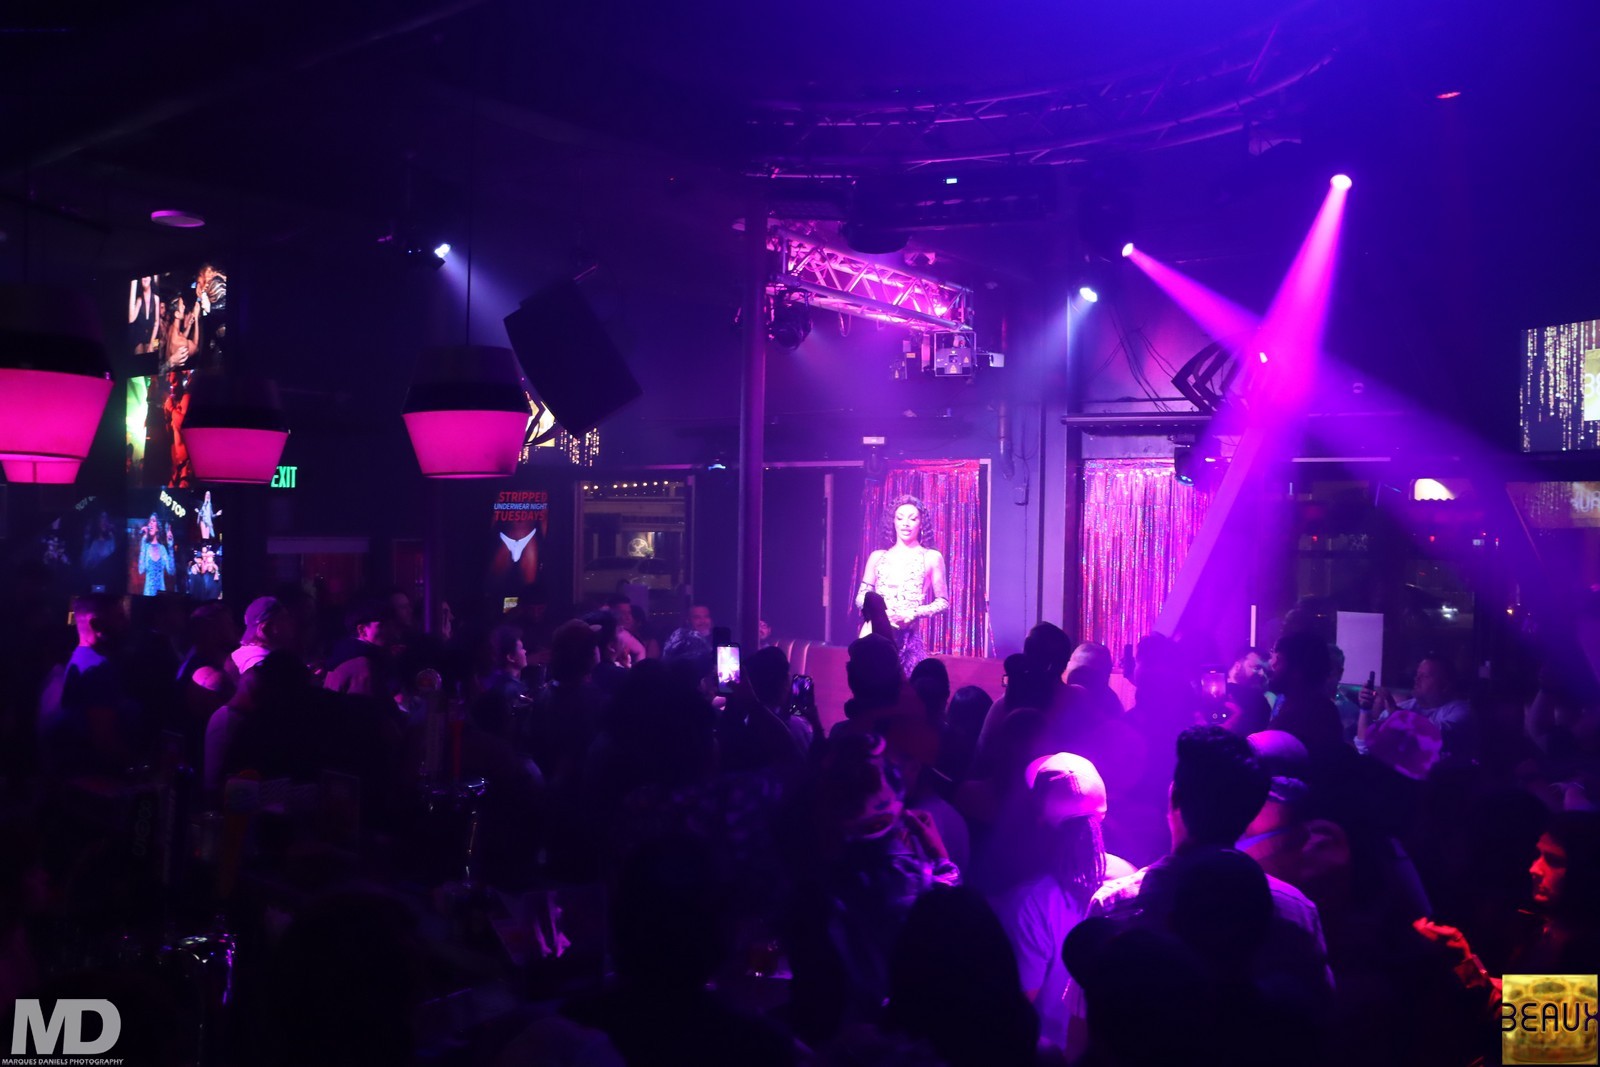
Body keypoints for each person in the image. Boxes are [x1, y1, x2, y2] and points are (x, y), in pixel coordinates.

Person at [856, 496, 949, 676]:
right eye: (900, 518)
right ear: (893, 522)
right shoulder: (878, 556)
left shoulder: (931, 557)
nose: (905, 524)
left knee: (903, 684)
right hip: (873, 634)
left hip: (906, 639)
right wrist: (878, 611)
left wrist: (911, 613)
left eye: (912, 519)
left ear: (921, 524)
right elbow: (861, 596)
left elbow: (943, 602)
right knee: (871, 684)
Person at [136, 515, 175, 596]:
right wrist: (143, 541)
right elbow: (141, 570)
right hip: (147, 595)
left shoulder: (162, 549)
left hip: (161, 596)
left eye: (153, 521)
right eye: (149, 521)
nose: (150, 523)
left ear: (157, 528)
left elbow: (171, 571)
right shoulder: (146, 547)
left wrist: (170, 547)